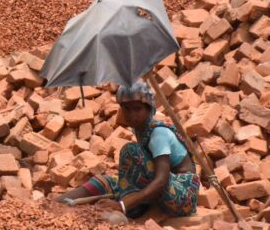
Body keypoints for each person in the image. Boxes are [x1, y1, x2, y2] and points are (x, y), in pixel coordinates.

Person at [56, 82, 200, 218]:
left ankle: (131, 208)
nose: (132, 114)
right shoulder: (140, 129)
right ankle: (54, 203)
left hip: (182, 197)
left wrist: (122, 205)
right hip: (162, 188)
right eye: (126, 109)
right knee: (107, 181)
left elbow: (161, 180)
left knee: (130, 151)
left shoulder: (158, 134)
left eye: (137, 109)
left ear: (149, 109)